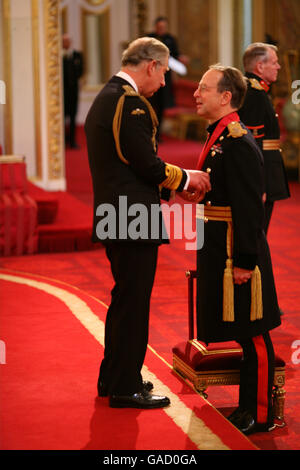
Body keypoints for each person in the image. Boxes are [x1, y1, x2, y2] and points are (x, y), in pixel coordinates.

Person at [84, 37, 210, 409]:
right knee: (134, 302)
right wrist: (186, 179)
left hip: (117, 214)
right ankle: (126, 386)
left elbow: (131, 165)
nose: (165, 81)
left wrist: (173, 185)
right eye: (165, 72)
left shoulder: (109, 96)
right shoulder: (129, 102)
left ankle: (114, 376)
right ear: (151, 65)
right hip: (131, 217)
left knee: (124, 299)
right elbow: (144, 163)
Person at [193, 64, 281, 434]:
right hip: (220, 247)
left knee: (254, 334)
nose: (196, 93)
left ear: (225, 97)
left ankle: (259, 414)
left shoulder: (237, 140)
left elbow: (249, 207)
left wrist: (246, 262)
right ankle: (247, 408)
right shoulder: (220, 136)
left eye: (204, 88)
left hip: (237, 253)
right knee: (243, 331)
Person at [239, 42, 290, 233]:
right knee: (256, 234)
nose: (278, 67)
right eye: (274, 63)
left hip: (265, 169)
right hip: (262, 171)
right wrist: (258, 184)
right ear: (260, 66)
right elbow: (252, 144)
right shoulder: (255, 94)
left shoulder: (255, 90)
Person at [147, 16, 189, 137]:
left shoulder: (171, 39)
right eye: (159, 27)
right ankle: (148, 132)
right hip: (150, 76)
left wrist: (181, 59)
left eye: (163, 27)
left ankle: (158, 134)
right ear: (155, 27)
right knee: (149, 104)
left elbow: (176, 55)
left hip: (165, 78)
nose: (161, 29)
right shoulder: (149, 38)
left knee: (161, 106)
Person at [62, 33, 84, 149]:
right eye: (64, 41)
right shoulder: (58, 57)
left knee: (73, 116)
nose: (66, 43)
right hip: (61, 93)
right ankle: (63, 141)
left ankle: (72, 141)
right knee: (62, 117)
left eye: (67, 41)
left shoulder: (77, 55)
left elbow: (80, 72)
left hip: (73, 92)